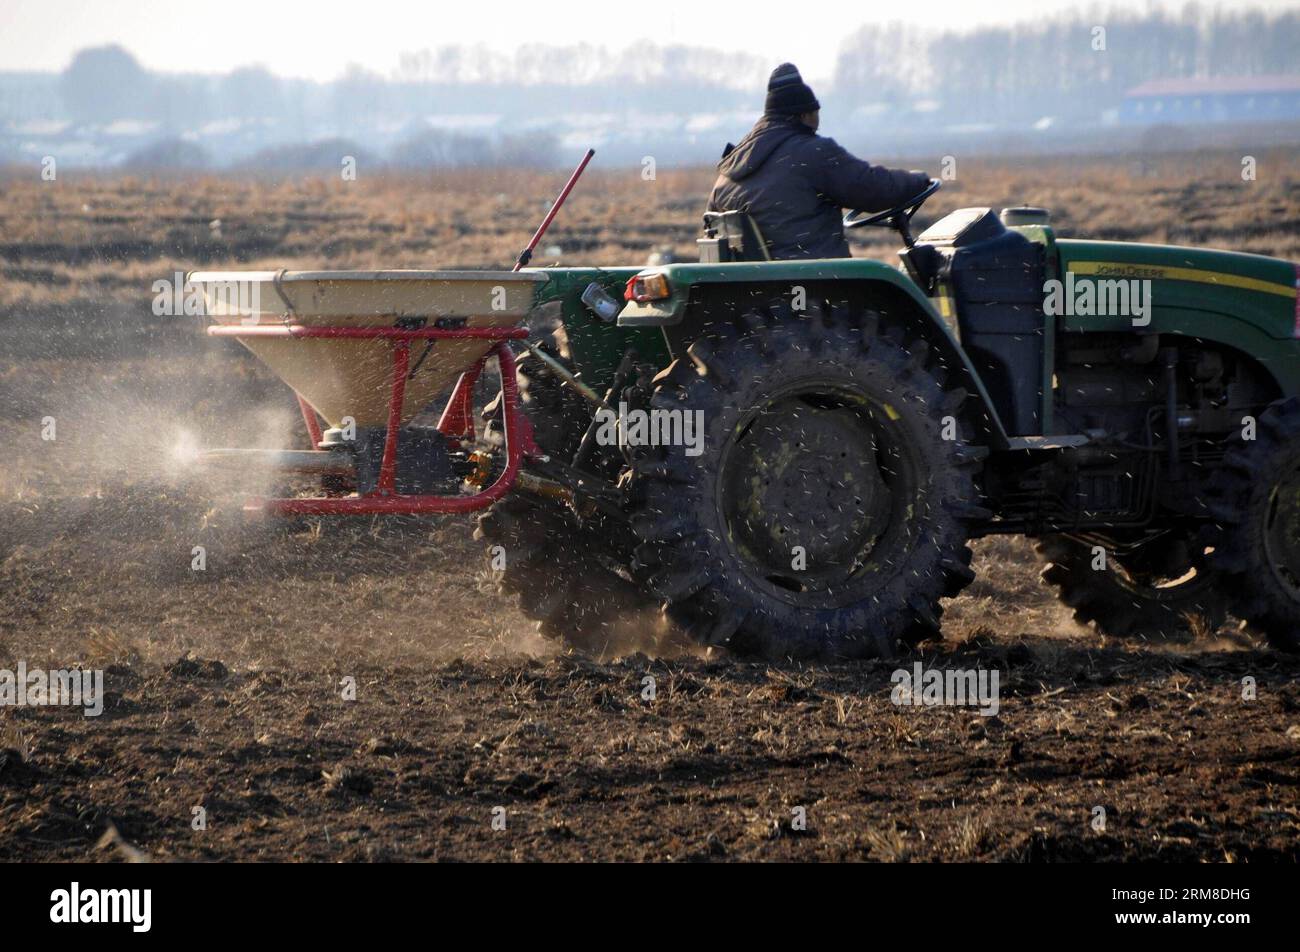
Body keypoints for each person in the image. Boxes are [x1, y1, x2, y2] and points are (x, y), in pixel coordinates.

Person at [708, 63, 931, 260]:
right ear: (804, 115)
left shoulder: (728, 172)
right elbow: (872, 188)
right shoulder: (812, 152)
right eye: (816, 112)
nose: (818, 121)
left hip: (760, 295)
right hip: (819, 290)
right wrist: (920, 180)